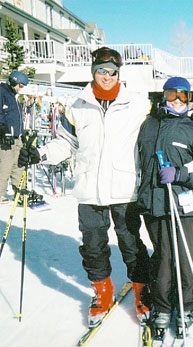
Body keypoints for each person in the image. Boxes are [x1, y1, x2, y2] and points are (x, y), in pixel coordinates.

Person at [17, 47, 153, 328]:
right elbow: (66, 143)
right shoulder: (76, 105)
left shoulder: (137, 104)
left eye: (112, 71)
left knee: (130, 244)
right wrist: (40, 154)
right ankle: (102, 293)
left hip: (125, 188)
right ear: (93, 71)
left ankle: (142, 290)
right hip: (89, 188)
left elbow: (157, 132)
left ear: (119, 73)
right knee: (92, 246)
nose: (107, 76)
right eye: (101, 70)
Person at [136, 76, 193, 340]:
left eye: (183, 95)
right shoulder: (148, 124)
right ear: (163, 95)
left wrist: (180, 173)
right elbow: (136, 159)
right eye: (172, 95)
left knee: (183, 257)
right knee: (162, 259)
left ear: (190, 99)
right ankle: (163, 307)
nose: (178, 101)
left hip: (185, 204)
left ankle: (186, 306)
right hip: (155, 203)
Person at [0, 71, 29, 204]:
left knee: (19, 165)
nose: (20, 89)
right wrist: (3, 130)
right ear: (12, 81)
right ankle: (0, 194)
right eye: (19, 85)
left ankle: (20, 193)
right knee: (5, 166)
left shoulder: (14, 96)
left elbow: (16, 117)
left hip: (17, 136)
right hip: (6, 137)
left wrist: (23, 133)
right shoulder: (2, 92)